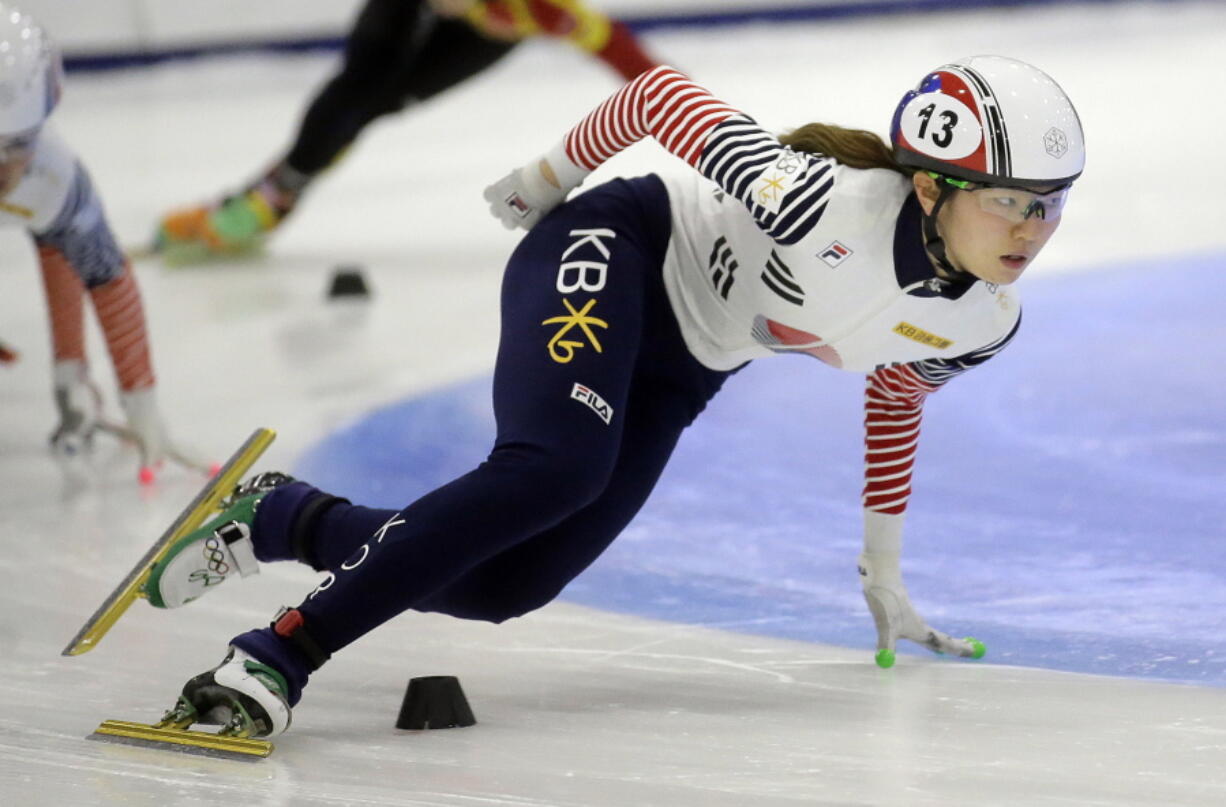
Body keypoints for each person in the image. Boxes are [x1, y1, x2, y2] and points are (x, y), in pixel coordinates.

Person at [141, 56, 1084, 738]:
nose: (1032, 229)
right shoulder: (814, 204)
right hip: (616, 247)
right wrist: (546, 179)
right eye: (1009, 200)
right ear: (931, 185)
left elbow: (895, 394)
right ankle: (276, 653)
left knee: (509, 584)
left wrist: (884, 566)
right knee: (555, 467)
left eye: (1051, 202)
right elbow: (659, 95)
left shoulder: (982, 322)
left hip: (687, 366)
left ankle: (283, 516)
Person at [153, 0, 660, 262]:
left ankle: (271, 197)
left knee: (380, 103)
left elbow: (617, 49)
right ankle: (268, 198)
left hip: (484, 33)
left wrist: (677, 99)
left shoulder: (541, 10)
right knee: (360, 83)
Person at [0, 4, 185, 480]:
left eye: (16, 145)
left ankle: (72, 384)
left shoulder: (54, 176)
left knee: (60, 231)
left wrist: (142, 406)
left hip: (54, 204)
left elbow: (105, 275)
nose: (2, 173)